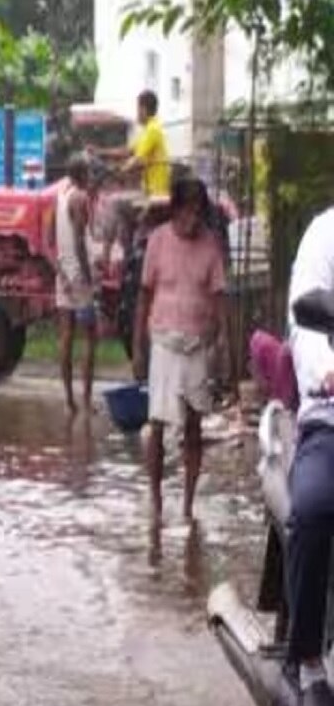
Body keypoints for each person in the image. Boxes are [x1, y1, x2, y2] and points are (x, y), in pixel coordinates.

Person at [133, 175, 230, 523]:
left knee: (193, 426)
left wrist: (224, 347)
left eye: (196, 212)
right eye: (185, 211)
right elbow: (144, 295)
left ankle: (188, 505)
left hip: (198, 346)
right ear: (174, 211)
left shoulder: (211, 246)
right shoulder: (157, 242)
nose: (191, 220)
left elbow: (220, 301)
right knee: (157, 425)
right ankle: (157, 501)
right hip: (163, 342)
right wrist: (138, 347)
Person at [282, 207, 334, 706]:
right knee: (316, 508)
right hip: (331, 419)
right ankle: (308, 664)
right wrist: (326, 370)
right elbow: (304, 322)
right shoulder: (325, 233)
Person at [55, 154, 97, 415]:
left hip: (63, 274)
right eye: (89, 172)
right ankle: (87, 398)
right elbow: (81, 241)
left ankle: (69, 400)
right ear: (83, 174)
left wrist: (61, 270)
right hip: (79, 276)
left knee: (66, 337)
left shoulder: (59, 197)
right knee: (91, 337)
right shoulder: (80, 198)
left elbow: (52, 238)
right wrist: (87, 277)